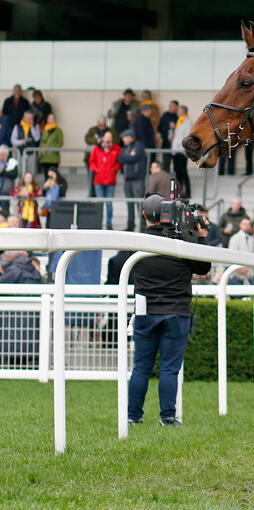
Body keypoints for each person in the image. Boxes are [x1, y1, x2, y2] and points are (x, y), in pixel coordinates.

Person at [128, 194, 211, 426]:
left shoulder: (136, 242)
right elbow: (204, 267)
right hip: (176, 311)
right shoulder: (183, 241)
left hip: (146, 311)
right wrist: (201, 237)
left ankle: (133, 416)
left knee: (141, 366)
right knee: (169, 368)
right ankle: (167, 417)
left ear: (144, 215)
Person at [89, 132, 122, 230]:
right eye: (106, 140)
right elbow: (91, 161)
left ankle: (109, 223)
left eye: (109, 140)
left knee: (109, 203)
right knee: (100, 203)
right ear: (103, 139)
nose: (107, 142)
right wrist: (95, 169)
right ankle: (99, 222)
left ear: (112, 140)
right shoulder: (96, 148)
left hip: (110, 180)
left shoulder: (116, 149)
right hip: (99, 179)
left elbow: (120, 161)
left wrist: (114, 169)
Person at [117, 130, 146, 232]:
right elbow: (120, 158)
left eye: (124, 137)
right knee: (129, 204)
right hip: (127, 179)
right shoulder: (125, 148)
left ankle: (142, 227)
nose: (123, 140)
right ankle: (130, 225)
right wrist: (129, 156)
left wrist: (128, 157)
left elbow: (135, 157)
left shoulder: (139, 146)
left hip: (138, 179)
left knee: (139, 204)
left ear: (130, 137)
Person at [84, 116, 115, 198]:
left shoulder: (110, 131)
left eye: (104, 125)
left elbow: (116, 140)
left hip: (106, 161)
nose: (102, 127)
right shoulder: (92, 130)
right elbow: (87, 139)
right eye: (100, 125)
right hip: (95, 160)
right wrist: (96, 141)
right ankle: (91, 193)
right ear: (97, 124)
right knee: (91, 178)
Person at [171, 105, 192, 198]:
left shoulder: (187, 122)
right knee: (177, 171)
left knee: (183, 171)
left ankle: (186, 191)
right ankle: (178, 190)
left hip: (181, 151)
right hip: (176, 150)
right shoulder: (179, 121)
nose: (177, 111)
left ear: (183, 111)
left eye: (179, 110)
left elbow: (186, 137)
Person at [38, 113, 63, 179]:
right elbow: (42, 141)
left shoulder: (58, 131)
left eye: (52, 118)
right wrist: (42, 149)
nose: (51, 120)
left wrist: (54, 149)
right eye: (50, 118)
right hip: (45, 156)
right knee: (46, 175)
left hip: (54, 157)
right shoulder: (45, 130)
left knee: (53, 175)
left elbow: (60, 142)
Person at [158, 100, 178, 172]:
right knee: (166, 164)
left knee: (177, 165)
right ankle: (166, 181)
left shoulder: (178, 116)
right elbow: (159, 127)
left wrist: (175, 127)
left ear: (177, 107)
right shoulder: (165, 115)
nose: (171, 108)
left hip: (176, 145)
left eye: (172, 106)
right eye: (170, 106)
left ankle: (175, 182)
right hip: (166, 143)